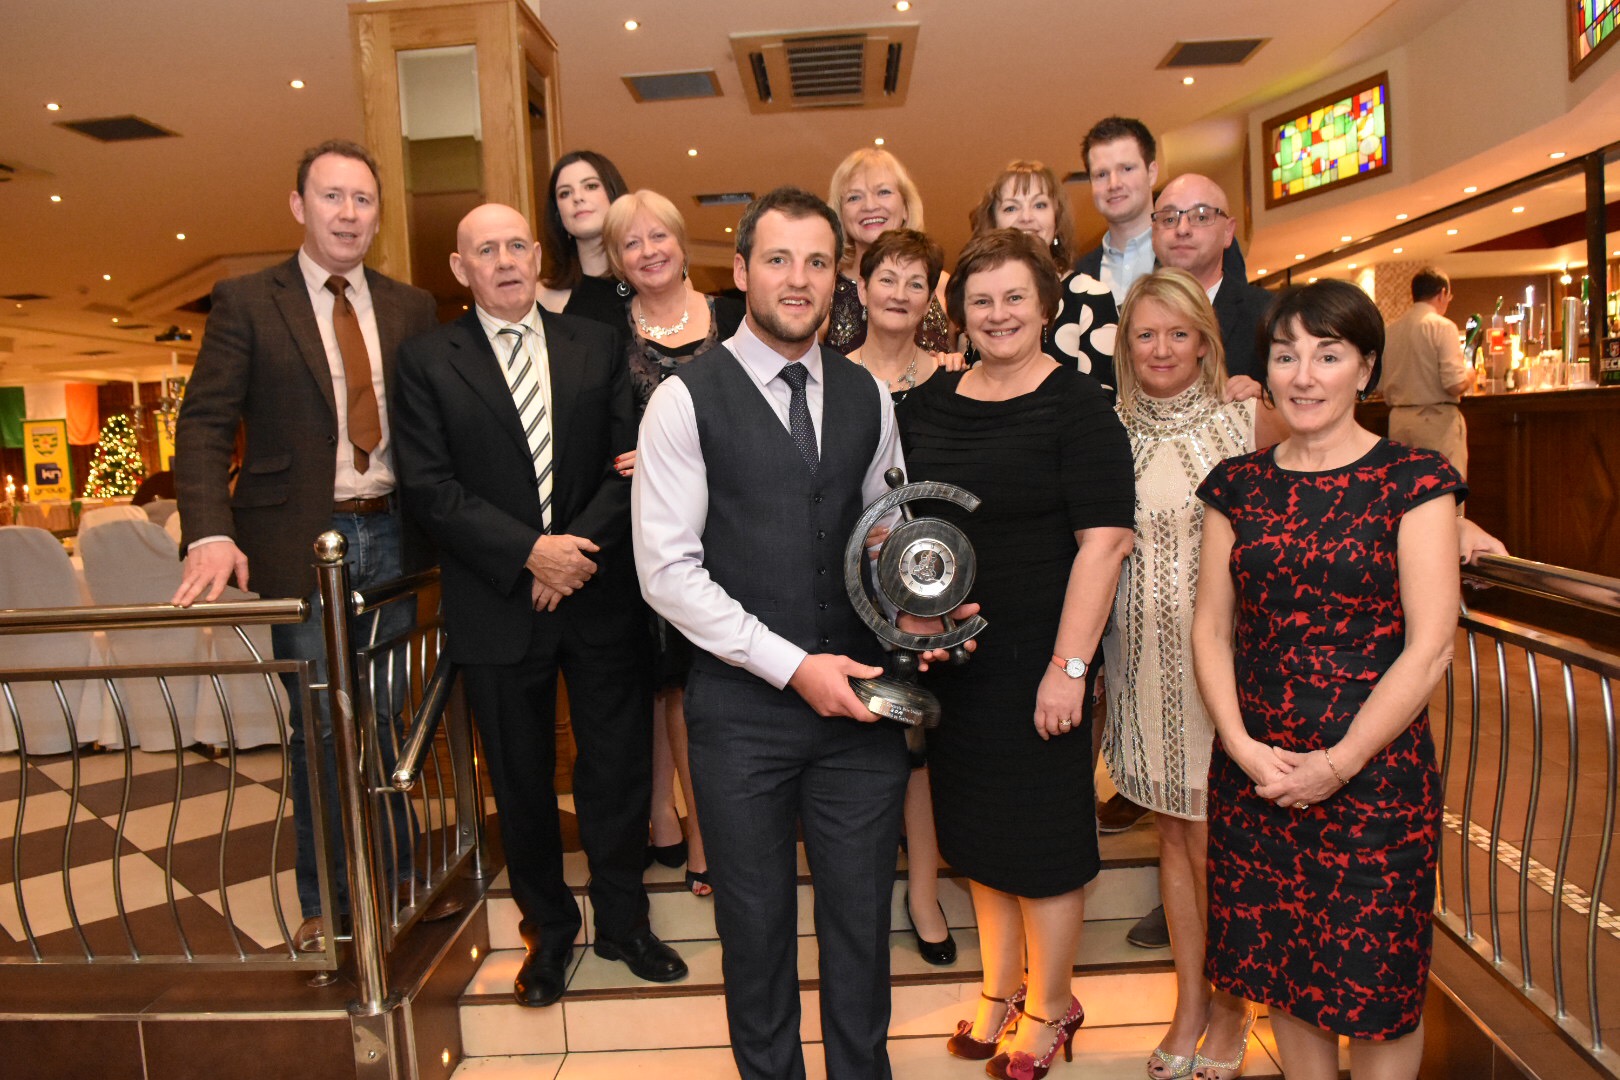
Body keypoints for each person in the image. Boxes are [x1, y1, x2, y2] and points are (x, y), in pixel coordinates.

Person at [634, 187, 969, 1080]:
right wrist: (794, 669)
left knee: (861, 930)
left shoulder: (866, 395)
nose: (798, 279)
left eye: (818, 262)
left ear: (837, 280)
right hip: (740, 718)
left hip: (857, 712)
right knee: (756, 934)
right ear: (740, 272)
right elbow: (667, 574)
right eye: (778, 259)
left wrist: (920, 607)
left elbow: (882, 534)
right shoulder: (681, 402)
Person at [392, 202, 687, 1008]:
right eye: (484, 249)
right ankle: (548, 935)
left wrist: (570, 554)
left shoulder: (596, 342)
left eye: (517, 244)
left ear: (537, 255)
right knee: (520, 783)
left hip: (597, 594)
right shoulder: (424, 360)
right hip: (496, 600)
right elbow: (429, 487)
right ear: (461, 270)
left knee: (617, 770)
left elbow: (630, 466)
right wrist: (529, 552)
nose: (505, 260)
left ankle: (625, 923)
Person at [1192, 280, 1464, 1080]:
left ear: (1365, 369)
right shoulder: (1236, 484)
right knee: (1286, 978)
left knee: (1381, 994)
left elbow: (1430, 645)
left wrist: (1339, 763)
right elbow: (1210, 626)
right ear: (1266, 370)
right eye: (1286, 356)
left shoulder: (1414, 480)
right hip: (1260, 772)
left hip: (1376, 778)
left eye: (1328, 354)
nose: (1303, 375)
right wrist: (1242, 749)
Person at [171, 139, 437, 954]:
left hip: (395, 534)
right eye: (332, 197)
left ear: (377, 213)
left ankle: (396, 880)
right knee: (322, 724)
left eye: (362, 199)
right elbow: (206, 425)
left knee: (391, 721)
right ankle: (331, 897)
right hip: (303, 540)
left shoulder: (411, 307)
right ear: (300, 207)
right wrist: (210, 529)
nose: (349, 213)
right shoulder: (249, 301)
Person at [901, 229, 1134, 1079]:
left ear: (1045, 306)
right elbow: (902, 524)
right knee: (979, 836)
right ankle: (1000, 988)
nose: (996, 314)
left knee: (1042, 840)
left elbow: (1105, 543)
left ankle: (1052, 1003)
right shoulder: (927, 404)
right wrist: (913, 615)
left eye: (1013, 298)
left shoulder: (1078, 406)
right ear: (958, 311)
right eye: (980, 299)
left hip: (1045, 658)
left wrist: (1069, 667)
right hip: (958, 662)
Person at [1100, 269, 1281, 1080]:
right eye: (1146, 334)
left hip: (1226, 675)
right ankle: (1191, 1002)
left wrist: (1453, 517)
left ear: (1206, 341)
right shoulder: (1106, 430)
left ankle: (1237, 1006)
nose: (1162, 349)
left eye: (1179, 333)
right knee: (1173, 837)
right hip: (1137, 669)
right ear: (1124, 345)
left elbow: (1343, 467)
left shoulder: (1245, 418)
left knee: (1222, 847)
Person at [600, 188, 744, 897]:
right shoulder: (606, 331)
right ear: (618, 261)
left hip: (738, 524)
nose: (650, 251)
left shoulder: (734, 317)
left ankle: (739, 823)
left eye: (660, 237)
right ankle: (697, 833)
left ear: (683, 244)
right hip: (653, 529)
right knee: (675, 686)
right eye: (632, 243)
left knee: (732, 680)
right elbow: (597, 428)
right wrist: (627, 455)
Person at [845, 226, 956, 966]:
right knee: (861, 739)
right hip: (851, 584)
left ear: (931, 297)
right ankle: (857, 894)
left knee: (921, 743)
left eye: (916, 282)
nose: (899, 293)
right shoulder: (831, 377)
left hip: (939, 584)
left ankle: (923, 890)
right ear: (861, 287)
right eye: (887, 278)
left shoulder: (951, 377)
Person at [970, 158, 1119, 395]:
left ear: (1056, 219)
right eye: (1011, 208)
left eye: (1039, 205)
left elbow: (1103, 397)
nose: (1026, 217)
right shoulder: (979, 301)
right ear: (993, 224)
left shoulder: (1091, 295)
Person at [825, 148, 952, 353]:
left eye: (883, 192)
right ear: (841, 215)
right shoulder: (826, 288)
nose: (869, 205)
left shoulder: (942, 285)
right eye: (854, 197)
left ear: (906, 207)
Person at [1150, 174, 1272, 384]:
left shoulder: (1267, 313)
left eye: (1201, 217)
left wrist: (1265, 406)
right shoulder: (1130, 317)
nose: (1182, 229)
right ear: (1153, 233)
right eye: (1169, 219)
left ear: (1228, 232)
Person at [1382, 266, 1472, 479]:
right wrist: (1470, 374)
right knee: (1444, 492)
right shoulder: (1443, 327)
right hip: (1435, 421)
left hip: (1399, 422)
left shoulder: (1390, 331)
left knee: (1406, 495)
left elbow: (1378, 383)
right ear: (1442, 293)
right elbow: (1454, 383)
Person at [537, 150, 632, 325]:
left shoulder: (656, 277)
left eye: (590, 186)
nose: (578, 197)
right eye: (565, 193)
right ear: (558, 214)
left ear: (614, 195)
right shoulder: (542, 297)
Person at [1074, 117, 1159, 305]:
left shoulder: (1189, 251)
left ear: (1151, 173)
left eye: (1126, 169)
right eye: (1101, 175)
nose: (1114, 184)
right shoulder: (1078, 277)